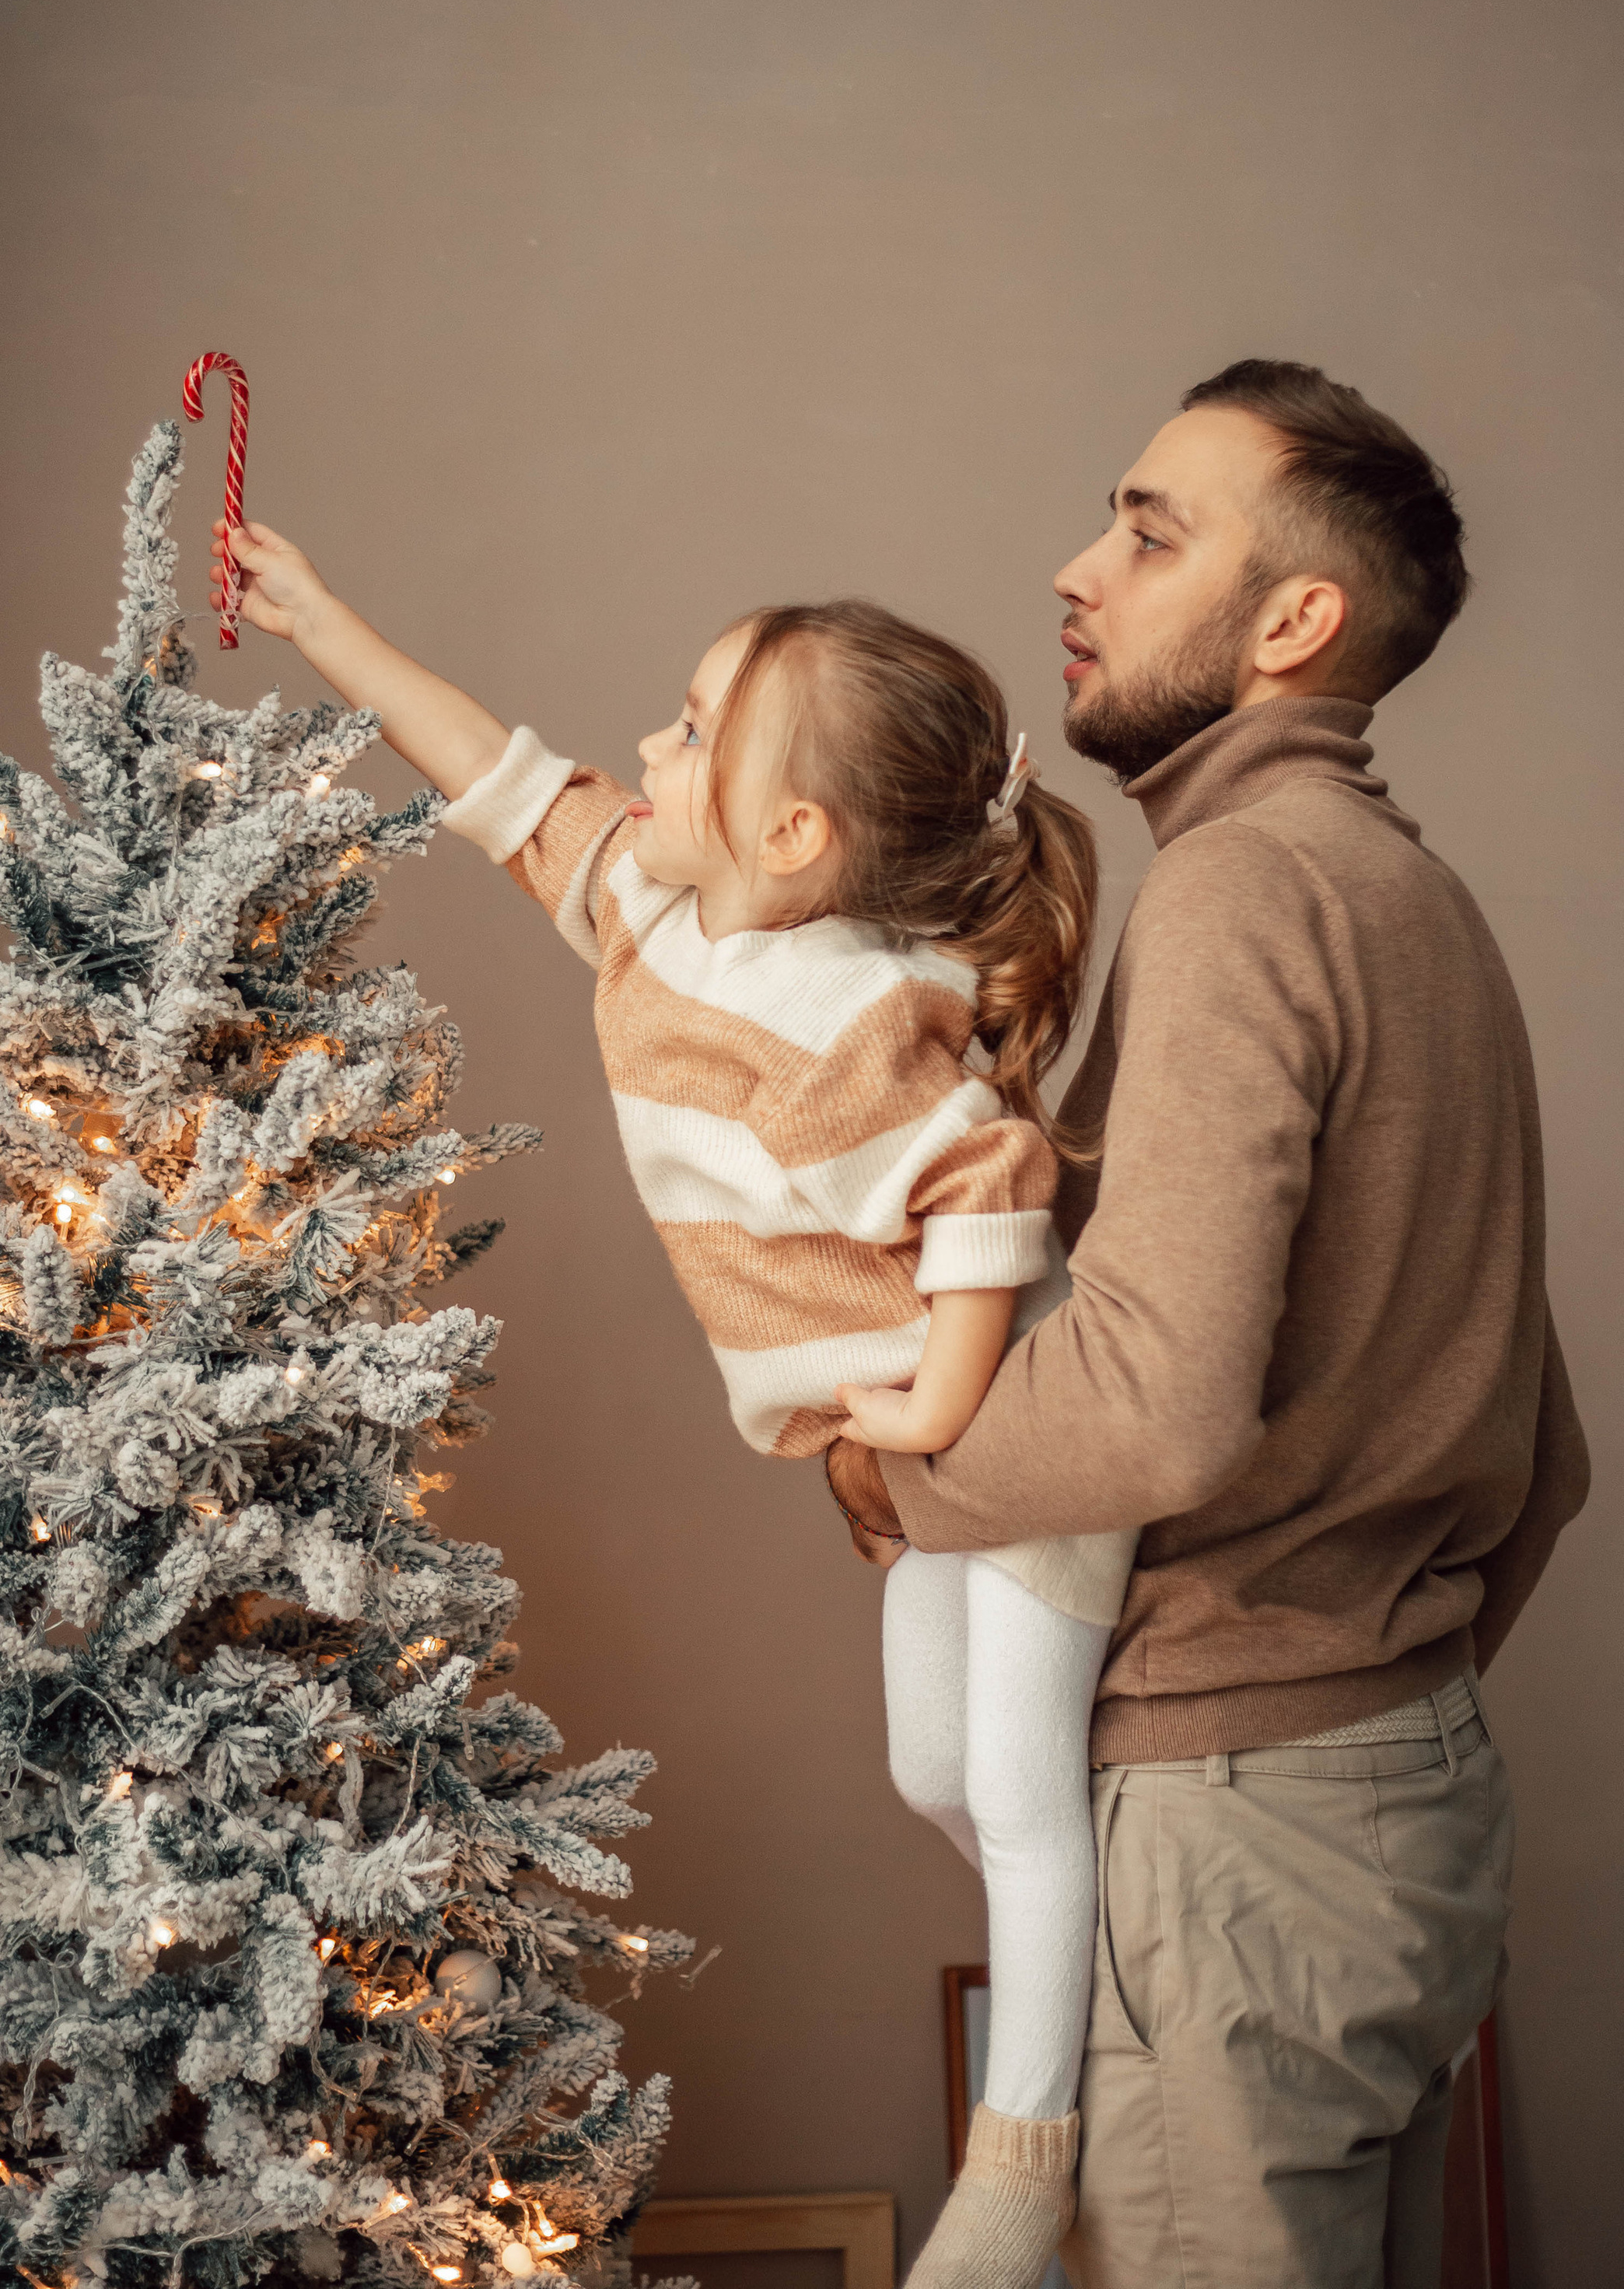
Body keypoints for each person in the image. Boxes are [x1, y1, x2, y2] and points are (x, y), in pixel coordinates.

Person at [215, 524, 1123, 2289]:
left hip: (1021, 1435)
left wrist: (923, 1415)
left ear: (795, 838)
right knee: (932, 1763)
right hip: (916, 1452)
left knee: (1012, 1783)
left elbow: (993, 1191)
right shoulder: (655, 914)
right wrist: (324, 615)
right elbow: (490, 775)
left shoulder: (861, 1020)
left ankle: (1019, 2164)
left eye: (694, 729)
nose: (647, 749)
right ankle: (1106, 1914)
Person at [828, 359, 1591, 2289]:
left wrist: (889, 1467)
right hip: (1404, 1799)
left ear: (1291, 622)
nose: (1079, 568)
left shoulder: (1243, 891)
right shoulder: (1412, 900)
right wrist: (1356, 1685)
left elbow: (1155, 1411)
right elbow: (1552, 1456)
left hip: (1234, 1841)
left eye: (1149, 531)